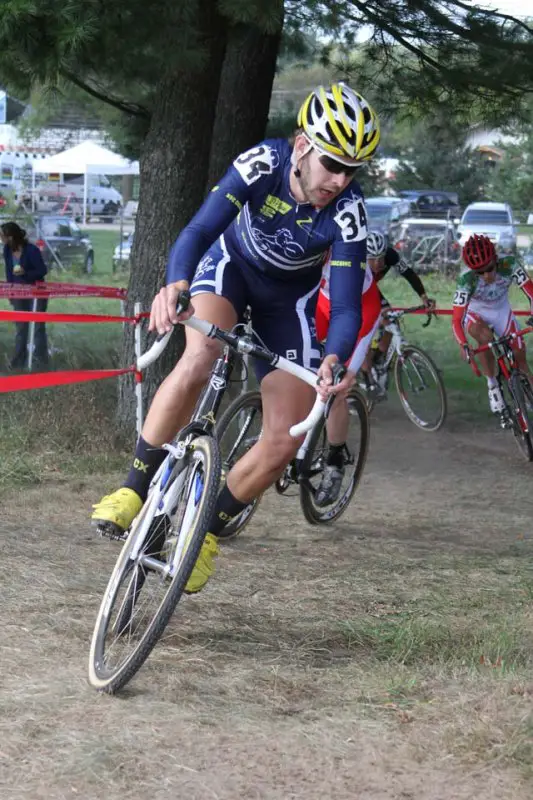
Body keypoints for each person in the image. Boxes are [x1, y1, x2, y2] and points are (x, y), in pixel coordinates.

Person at [92, 82, 381, 592]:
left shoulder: (348, 215)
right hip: (231, 270)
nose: (339, 180)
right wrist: (177, 281)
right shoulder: (260, 164)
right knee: (201, 353)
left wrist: (335, 358)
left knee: (286, 437)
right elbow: (198, 231)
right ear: (301, 146)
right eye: (332, 164)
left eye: (351, 170)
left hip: (285, 304)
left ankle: (203, 531)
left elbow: (346, 305)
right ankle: (134, 487)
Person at [452, 234, 533, 414]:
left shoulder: (509, 264)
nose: (486, 275)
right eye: (480, 272)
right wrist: (463, 344)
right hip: (476, 312)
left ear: (495, 260)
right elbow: (457, 319)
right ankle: (493, 385)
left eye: (489, 268)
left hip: (501, 309)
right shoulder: (466, 280)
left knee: (520, 358)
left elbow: (531, 292)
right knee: (486, 338)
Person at [363, 230, 435, 372]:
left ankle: (379, 357)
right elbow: (364, 293)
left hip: (371, 288)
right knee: (365, 331)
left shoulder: (391, 256)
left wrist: (423, 296)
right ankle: (365, 369)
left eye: (380, 258)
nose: (377, 263)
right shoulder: (358, 262)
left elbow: (408, 274)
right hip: (359, 290)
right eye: (372, 259)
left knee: (391, 322)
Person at [1, 221, 49, 369]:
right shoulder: (7, 250)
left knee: (37, 327)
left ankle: (41, 361)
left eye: (3, 236)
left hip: (36, 293)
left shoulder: (32, 250)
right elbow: (9, 272)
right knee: (21, 328)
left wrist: (25, 274)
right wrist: (10, 291)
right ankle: (18, 362)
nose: (1, 239)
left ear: (11, 237)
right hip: (18, 293)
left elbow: (42, 271)